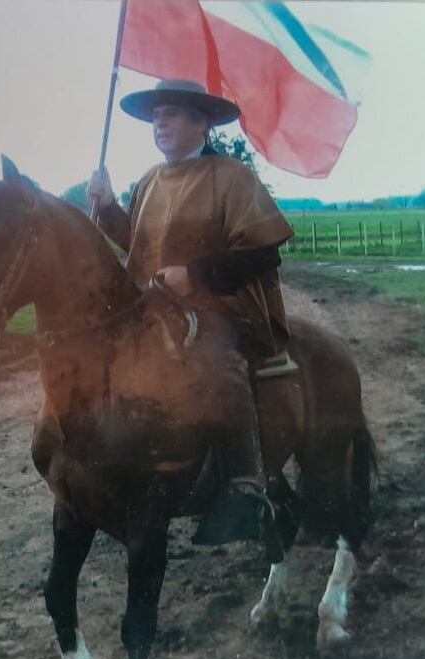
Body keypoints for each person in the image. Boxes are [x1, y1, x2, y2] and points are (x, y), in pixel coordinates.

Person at [87, 79, 295, 544]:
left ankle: (246, 484)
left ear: (202, 123)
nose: (160, 122)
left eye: (173, 113)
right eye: (157, 115)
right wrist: (107, 210)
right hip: (153, 308)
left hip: (220, 305)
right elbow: (140, 248)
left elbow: (265, 253)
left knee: (216, 359)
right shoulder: (148, 180)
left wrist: (196, 275)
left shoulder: (231, 176)